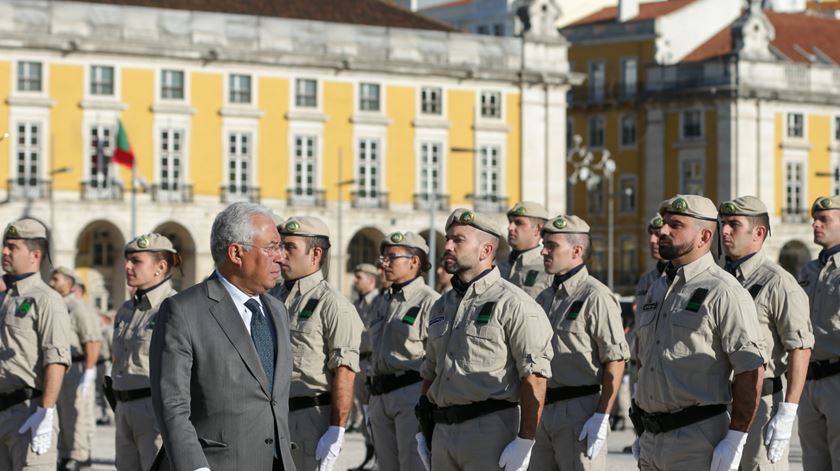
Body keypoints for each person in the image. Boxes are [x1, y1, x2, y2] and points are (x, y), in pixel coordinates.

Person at [150, 202, 296, 470]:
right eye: (272, 247)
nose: (281, 257)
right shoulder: (183, 311)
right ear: (236, 253)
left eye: (282, 247)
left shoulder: (277, 310)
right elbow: (172, 405)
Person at [632, 195, 765, 471]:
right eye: (665, 224)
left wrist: (736, 437)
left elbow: (750, 370)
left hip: (697, 438)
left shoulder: (723, 291)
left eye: (676, 225)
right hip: (651, 438)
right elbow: (645, 360)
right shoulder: (657, 288)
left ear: (704, 236)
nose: (663, 231)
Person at [417, 208, 553, 471]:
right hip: (443, 431)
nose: (447, 246)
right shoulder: (441, 305)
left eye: (458, 240)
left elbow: (534, 376)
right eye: (447, 238)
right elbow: (430, 370)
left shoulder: (513, 304)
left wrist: (525, 440)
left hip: (489, 430)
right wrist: (422, 430)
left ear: (485, 250)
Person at [717, 196, 813, 470]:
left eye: (734, 224)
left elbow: (800, 348)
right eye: (723, 224)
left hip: (761, 405)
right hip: (718, 404)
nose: (724, 231)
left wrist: (788, 412)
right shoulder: (719, 279)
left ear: (758, 233)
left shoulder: (778, 282)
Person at [531, 215, 629, 470]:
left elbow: (615, 360)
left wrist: (602, 415)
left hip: (580, 410)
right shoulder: (544, 298)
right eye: (544, 244)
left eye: (552, 245)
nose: (544, 251)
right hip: (543, 411)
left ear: (576, 251)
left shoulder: (595, 296)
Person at [269, 216, 362, 471]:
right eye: (279, 246)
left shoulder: (332, 304)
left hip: (309, 419)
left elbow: (344, 371)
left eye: (289, 247)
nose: (280, 255)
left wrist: (337, 429)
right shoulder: (271, 297)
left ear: (315, 254)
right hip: (271, 417)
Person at [0, 218, 71, 471]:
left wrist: (46, 412)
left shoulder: (47, 299)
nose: (4, 252)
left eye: (12, 247)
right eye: (4, 246)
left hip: (29, 411)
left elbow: (56, 359)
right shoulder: (4, 298)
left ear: (35, 254)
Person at [368, 231, 439, 471]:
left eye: (392, 257)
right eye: (383, 258)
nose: (384, 263)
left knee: (413, 465)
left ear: (414, 261)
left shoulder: (430, 302)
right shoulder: (382, 301)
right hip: (380, 394)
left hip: (410, 393)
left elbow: (437, 357)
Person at [111, 233, 180, 471]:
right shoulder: (126, 309)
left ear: (160, 267)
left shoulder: (174, 308)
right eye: (127, 260)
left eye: (136, 261)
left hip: (153, 410)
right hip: (123, 407)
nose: (128, 267)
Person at [797, 195, 840, 470]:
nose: (815, 224)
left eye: (824, 219)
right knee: (813, 462)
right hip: (808, 380)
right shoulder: (808, 270)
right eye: (814, 219)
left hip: (838, 378)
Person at [49, 266, 102, 471]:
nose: (52, 282)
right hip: (59, 366)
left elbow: (92, 340)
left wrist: (88, 372)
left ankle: (79, 455)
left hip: (77, 365)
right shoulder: (56, 303)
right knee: (61, 412)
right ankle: (65, 452)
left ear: (69, 283)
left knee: (76, 412)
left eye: (56, 278)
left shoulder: (77, 306)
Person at [349, 263, 379, 470]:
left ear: (371, 279)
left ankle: (378, 456)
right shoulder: (357, 303)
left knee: (374, 413)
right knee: (364, 413)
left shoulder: (378, 301)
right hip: (359, 362)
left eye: (359, 277)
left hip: (372, 362)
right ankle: (369, 453)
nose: (355, 280)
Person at [498, 201, 552, 297]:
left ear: (538, 229)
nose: (510, 227)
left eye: (518, 223)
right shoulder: (498, 267)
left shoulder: (548, 269)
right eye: (510, 222)